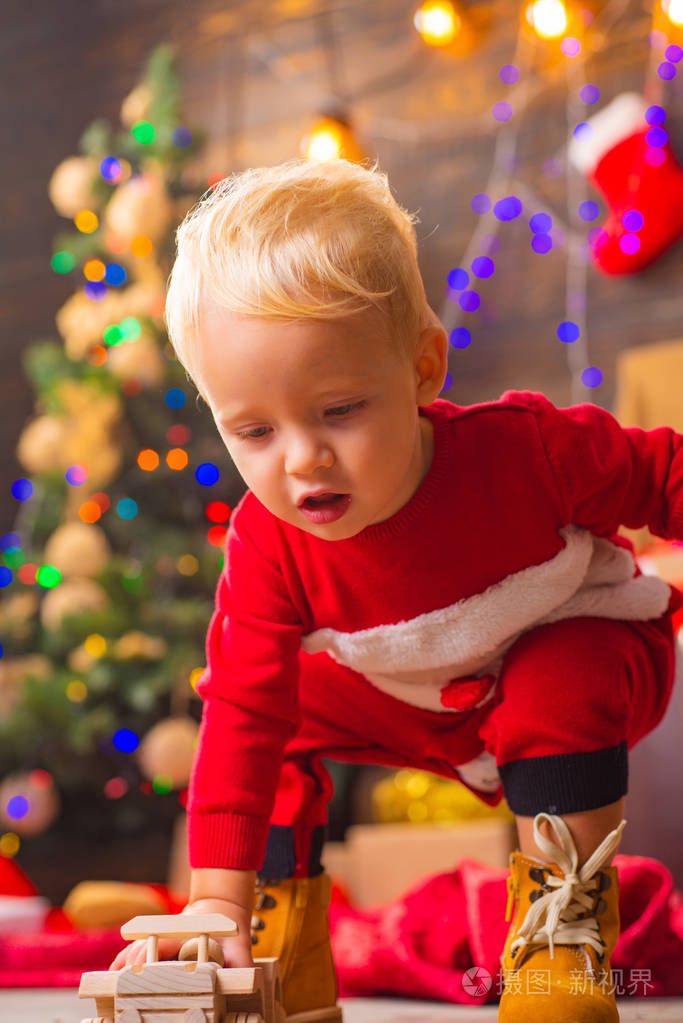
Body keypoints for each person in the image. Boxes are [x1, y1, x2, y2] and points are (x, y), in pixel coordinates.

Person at [110, 158, 683, 1023]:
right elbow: (240, 711)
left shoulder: (527, 453)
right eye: (255, 430)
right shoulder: (270, 541)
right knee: (281, 707)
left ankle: (561, 937)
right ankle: (280, 944)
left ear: (422, 368)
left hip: (575, 648)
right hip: (416, 701)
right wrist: (215, 899)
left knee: (562, 670)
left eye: (339, 409)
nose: (300, 459)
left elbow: (665, 473)